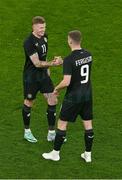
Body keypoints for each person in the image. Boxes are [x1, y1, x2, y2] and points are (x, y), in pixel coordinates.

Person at [42, 30, 94, 162]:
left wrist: (56, 89)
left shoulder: (70, 60)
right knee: (88, 125)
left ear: (70, 41)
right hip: (87, 95)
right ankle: (88, 155)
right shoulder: (89, 55)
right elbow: (78, 62)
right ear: (80, 40)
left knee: (62, 123)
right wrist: (63, 61)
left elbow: (66, 82)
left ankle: (55, 154)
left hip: (73, 97)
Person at [22, 16, 62, 143]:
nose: (43, 30)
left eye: (44, 27)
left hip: (43, 76)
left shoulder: (45, 37)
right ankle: (27, 131)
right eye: (40, 28)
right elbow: (37, 63)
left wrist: (49, 67)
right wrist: (53, 64)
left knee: (53, 99)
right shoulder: (28, 42)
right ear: (33, 27)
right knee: (29, 102)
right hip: (31, 77)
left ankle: (51, 133)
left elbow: (43, 55)